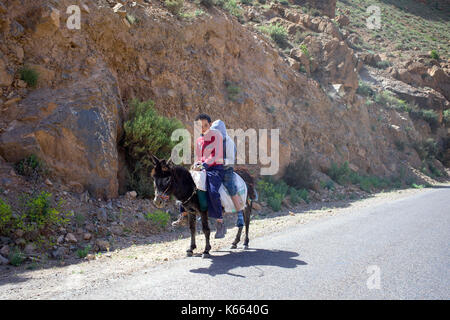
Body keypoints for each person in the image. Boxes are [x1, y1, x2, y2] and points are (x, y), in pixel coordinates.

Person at [210, 119, 244, 228]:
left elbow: (231, 159)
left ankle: (240, 215)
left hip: (226, 169)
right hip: (214, 167)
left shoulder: (228, 143)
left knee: (231, 187)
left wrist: (222, 161)